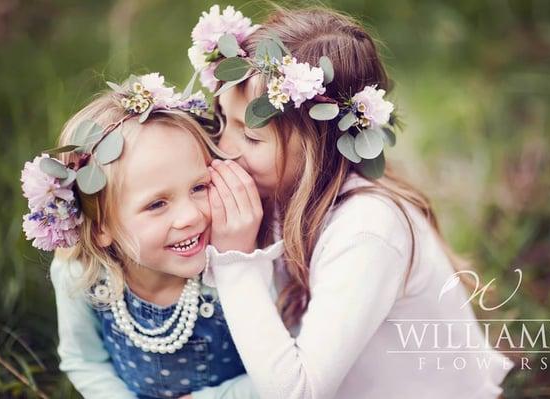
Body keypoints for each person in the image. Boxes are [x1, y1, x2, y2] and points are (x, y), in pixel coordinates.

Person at [193, 5, 514, 399]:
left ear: (319, 145)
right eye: (223, 122)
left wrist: (234, 262)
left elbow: (299, 392)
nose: (224, 151)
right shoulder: (277, 192)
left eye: (253, 137)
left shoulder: (366, 228)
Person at [20, 73, 272, 398]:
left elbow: (278, 366)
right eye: (156, 204)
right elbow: (85, 362)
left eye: (198, 187)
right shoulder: (81, 276)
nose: (191, 216)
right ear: (100, 229)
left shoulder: (237, 264)